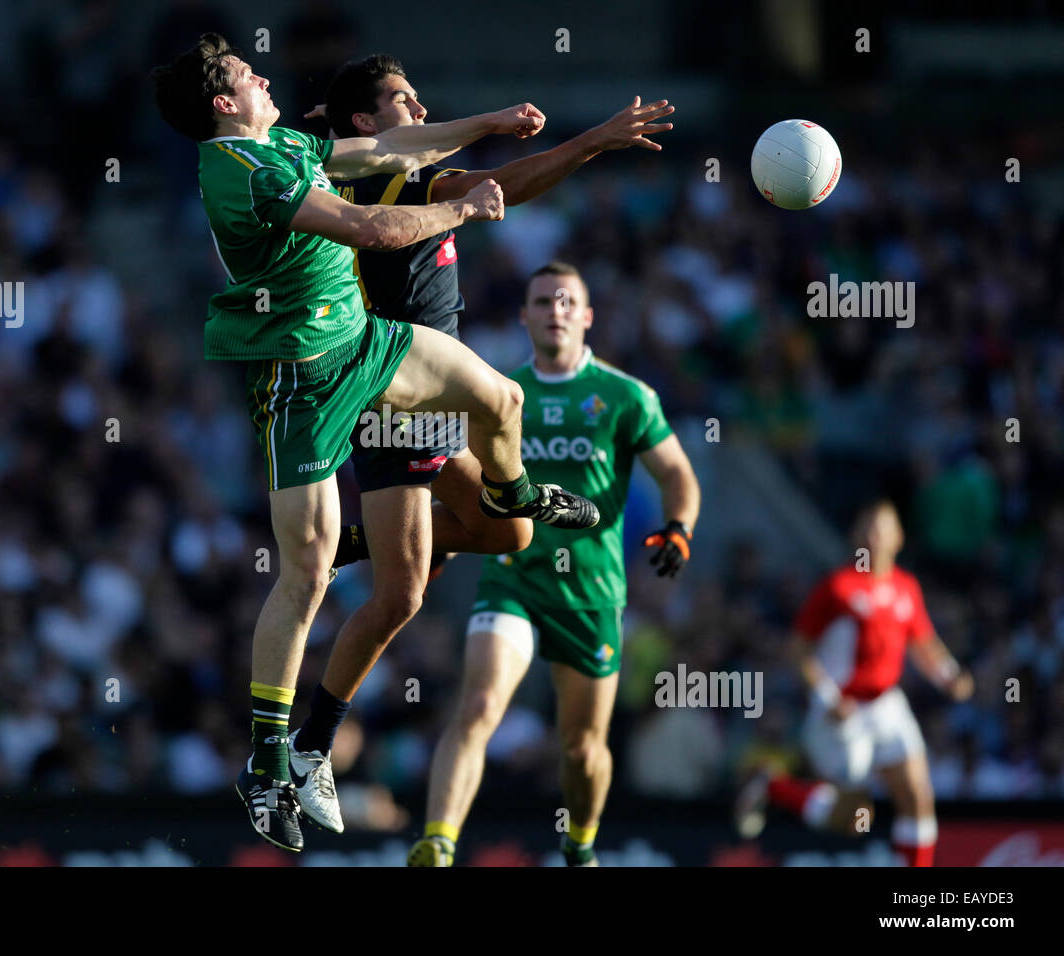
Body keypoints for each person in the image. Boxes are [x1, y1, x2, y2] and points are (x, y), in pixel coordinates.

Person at [150, 34, 599, 852]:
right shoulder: (244, 172)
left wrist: (494, 121)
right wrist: (464, 207)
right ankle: (267, 764)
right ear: (223, 104)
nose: (262, 74)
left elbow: (387, 146)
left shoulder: (277, 142)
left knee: (500, 399)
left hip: (365, 342)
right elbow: (365, 226)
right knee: (310, 570)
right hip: (303, 377)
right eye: (247, 75)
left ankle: (512, 493)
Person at [287, 54, 675, 836]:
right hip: (399, 398)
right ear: (365, 123)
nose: (421, 106)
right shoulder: (384, 183)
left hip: (427, 397)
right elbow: (513, 183)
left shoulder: (379, 174)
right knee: (405, 596)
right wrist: (595, 138)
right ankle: (309, 746)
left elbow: (499, 179)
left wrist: (581, 141)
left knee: (509, 530)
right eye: (404, 99)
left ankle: (354, 545)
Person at [407, 261, 701, 866]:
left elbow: (677, 474)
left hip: (591, 591)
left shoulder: (626, 397)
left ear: (588, 316)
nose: (555, 311)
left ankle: (581, 845)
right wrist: (442, 538)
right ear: (524, 316)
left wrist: (679, 529)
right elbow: (460, 483)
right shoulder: (498, 395)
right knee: (480, 705)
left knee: (582, 747)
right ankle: (438, 841)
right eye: (542, 301)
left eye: (567, 301)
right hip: (514, 577)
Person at [734, 499, 974, 867]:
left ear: (899, 537)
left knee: (916, 794)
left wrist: (950, 675)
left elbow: (924, 644)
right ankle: (773, 785)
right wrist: (829, 698)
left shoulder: (906, 588)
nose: (874, 537)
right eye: (867, 528)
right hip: (842, 714)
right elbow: (798, 650)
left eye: (882, 528)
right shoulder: (837, 588)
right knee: (854, 819)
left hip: (887, 705)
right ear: (855, 535)